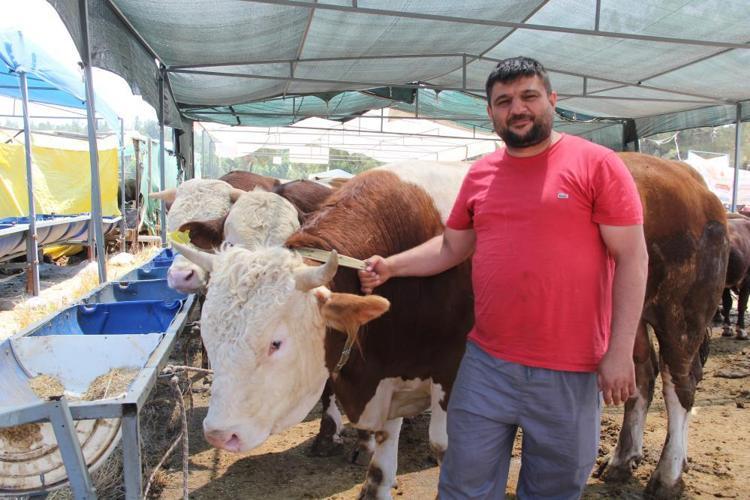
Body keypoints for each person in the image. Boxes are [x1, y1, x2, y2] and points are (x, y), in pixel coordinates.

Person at [358, 56, 649, 499]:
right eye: (504, 101)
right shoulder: (481, 174)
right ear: (491, 111)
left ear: (552, 100)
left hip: (570, 370)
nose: (518, 109)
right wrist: (391, 266)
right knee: (463, 487)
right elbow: (452, 247)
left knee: (553, 491)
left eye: (529, 96)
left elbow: (632, 258)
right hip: (486, 365)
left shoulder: (597, 164)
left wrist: (620, 350)